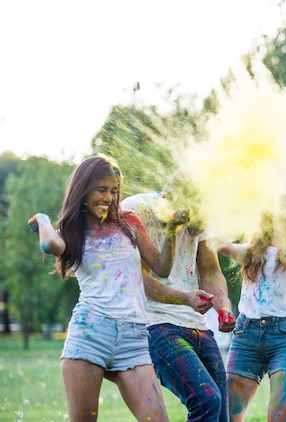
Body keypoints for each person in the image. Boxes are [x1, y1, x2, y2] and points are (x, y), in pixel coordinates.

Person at [27, 154, 189, 422]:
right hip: (91, 333)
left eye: (114, 191)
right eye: (101, 190)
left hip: (133, 339)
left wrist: (171, 230)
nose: (109, 197)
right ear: (83, 191)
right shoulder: (74, 230)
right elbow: (49, 246)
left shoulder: (129, 223)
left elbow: (162, 268)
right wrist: (43, 221)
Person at [121, 189, 237, 422]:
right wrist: (185, 298)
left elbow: (211, 271)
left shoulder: (201, 210)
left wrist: (223, 307)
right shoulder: (135, 210)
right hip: (155, 324)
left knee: (222, 411)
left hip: (197, 325)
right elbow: (137, 279)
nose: (196, 229)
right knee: (206, 400)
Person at [218, 200, 286, 422]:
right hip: (246, 335)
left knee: (280, 417)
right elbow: (225, 247)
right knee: (228, 416)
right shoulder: (257, 246)